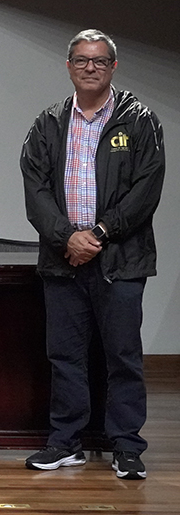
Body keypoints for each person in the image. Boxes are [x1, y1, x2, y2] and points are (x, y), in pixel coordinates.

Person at [20, 29, 165, 480]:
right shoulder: (47, 123)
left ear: (113, 67)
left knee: (123, 356)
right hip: (63, 261)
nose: (90, 67)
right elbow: (35, 192)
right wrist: (68, 237)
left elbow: (146, 190)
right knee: (65, 356)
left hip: (121, 260)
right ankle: (65, 442)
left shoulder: (139, 120)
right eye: (81, 60)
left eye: (99, 61)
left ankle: (126, 446)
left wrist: (99, 233)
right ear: (69, 67)